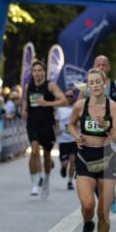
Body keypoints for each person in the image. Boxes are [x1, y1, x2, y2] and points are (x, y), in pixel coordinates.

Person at [68, 67, 116, 232]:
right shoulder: (81, 106)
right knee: (88, 204)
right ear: (88, 86)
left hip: (108, 160)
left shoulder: (114, 108)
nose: (95, 86)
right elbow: (71, 124)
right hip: (85, 158)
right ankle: (87, 224)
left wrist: (107, 127)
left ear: (104, 82)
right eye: (91, 83)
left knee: (103, 211)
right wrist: (76, 136)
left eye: (98, 82)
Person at [21, 60, 66, 198]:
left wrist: (47, 103)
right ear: (32, 73)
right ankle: (34, 184)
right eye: (35, 71)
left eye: (40, 70)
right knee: (34, 152)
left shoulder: (50, 85)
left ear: (44, 72)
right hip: (32, 123)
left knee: (47, 155)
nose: (37, 73)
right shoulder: (29, 86)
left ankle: (46, 180)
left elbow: (63, 100)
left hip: (47, 125)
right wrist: (23, 110)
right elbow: (24, 100)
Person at [93, 54, 116, 213]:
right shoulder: (86, 88)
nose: (101, 67)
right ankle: (106, 196)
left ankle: (109, 194)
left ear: (108, 68)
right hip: (93, 136)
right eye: (98, 64)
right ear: (94, 66)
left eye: (104, 65)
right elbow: (78, 109)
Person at [55, 89, 79, 190]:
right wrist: (57, 130)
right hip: (63, 140)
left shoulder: (77, 108)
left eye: (71, 96)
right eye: (67, 96)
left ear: (74, 98)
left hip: (73, 139)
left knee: (73, 160)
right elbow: (56, 121)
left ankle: (70, 182)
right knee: (65, 163)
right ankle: (63, 168)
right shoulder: (60, 109)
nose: (69, 98)